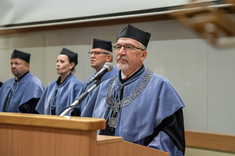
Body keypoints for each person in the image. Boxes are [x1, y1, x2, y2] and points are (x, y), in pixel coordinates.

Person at [81, 25, 185, 156]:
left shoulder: (160, 86)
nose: (121, 52)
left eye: (128, 47)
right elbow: (86, 125)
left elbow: (170, 136)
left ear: (143, 55)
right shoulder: (103, 86)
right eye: (118, 47)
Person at [72, 38, 119, 116]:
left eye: (97, 53)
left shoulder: (117, 77)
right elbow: (78, 107)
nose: (92, 56)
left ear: (108, 58)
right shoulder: (90, 80)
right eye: (91, 53)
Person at [35, 48, 83, 115]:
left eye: (62, 62)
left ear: (71, 65)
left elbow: (78, 110)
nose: (58, 64)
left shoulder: (76, 85)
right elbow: (41, 110)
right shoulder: (51, 86)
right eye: (57, 61)